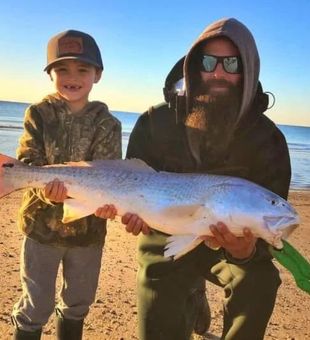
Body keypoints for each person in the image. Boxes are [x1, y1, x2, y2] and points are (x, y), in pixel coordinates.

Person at [123, 18, 291, 340]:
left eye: (231, 63)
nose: (218, 73)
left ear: (248, 70)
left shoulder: (269, 141)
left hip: (229, 247)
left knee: (259, 281)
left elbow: (270, 227)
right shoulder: (153, 122)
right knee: (157, 320)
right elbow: (130, 182)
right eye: (208, 62)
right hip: (166, 234)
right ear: (193, 66)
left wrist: (244, 252)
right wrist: (133, 217)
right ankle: (190, 295)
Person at [11, 30, 121, 340]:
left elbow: (108, 175)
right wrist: (46, 192)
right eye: (62, 69)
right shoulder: (39, 114)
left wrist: (110, 202)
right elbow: (27, 163)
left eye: (82, 69)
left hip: (88, 234)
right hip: (41, 230)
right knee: (36, 305)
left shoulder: (108, 123)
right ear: (50, 74)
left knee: (78, 303)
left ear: (97, 75)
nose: (72, 77)